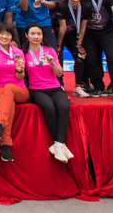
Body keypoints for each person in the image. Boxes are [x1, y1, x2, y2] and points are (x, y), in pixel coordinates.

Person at [24, 23, 73, 163]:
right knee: (49, 108)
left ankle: (58, 143)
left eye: (39, 34)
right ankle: (58, 143)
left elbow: (59, 73)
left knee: (64, 107)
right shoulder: (23, 53)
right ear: (26, 35)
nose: (36, 37)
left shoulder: (50, 51)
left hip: (54, 87)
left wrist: (52, 63)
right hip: (36, 89)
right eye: (33, 34)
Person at [0, 23, 27, 162]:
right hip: (0, 87)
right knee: (9, 104)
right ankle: (5, 145)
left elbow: (21, 77)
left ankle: (0, 123)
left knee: (9, 89)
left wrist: (19, 70)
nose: (4, 36)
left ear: (12, 37)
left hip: (19, 89)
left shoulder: (18, 52)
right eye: (1, 33)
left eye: (8, 34)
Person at [53, 0, 92, 97]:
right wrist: (58, 45)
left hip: (73, 34)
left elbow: (83, 26)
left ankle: (78, 87)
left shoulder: (86, 7)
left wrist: (79, 43)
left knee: (79, 57)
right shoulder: (62, 6)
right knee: (58, 57)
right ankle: (59, 84)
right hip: (58, 33)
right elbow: (62, 28)